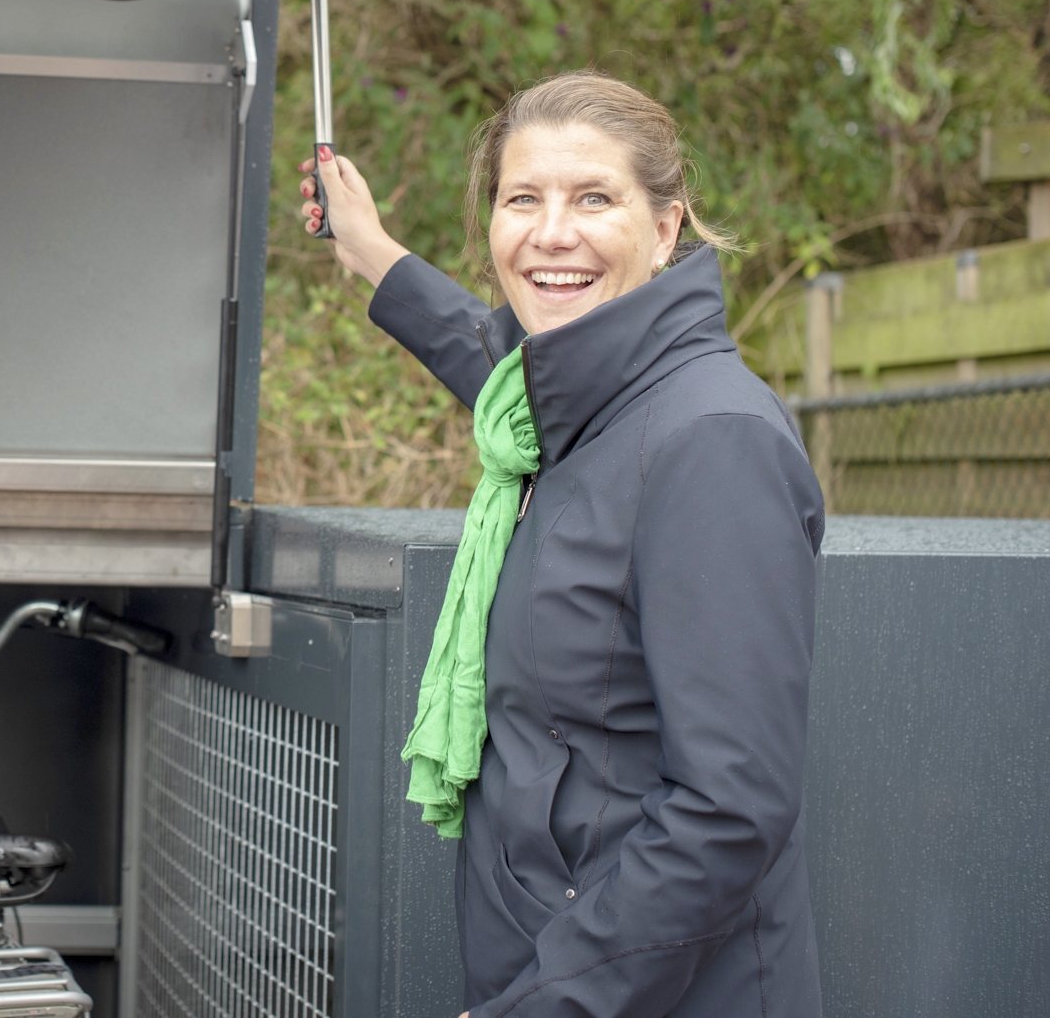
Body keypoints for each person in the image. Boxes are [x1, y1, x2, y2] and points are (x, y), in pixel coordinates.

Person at [301, 71, 823, 1018]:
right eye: (521, 199)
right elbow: (502, 366)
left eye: (594, 198)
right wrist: (373, 254)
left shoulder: (712, 441)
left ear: (667, 228)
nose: (551, 232)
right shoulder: (573, 408)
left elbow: (729, 810)